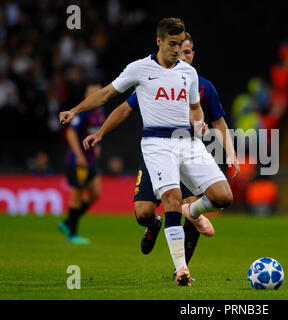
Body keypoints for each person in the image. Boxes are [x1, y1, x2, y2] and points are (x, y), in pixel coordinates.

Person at [59, 18, 237, 286]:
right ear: (159, 41)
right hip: (157, 143)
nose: (177, 50)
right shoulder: (140, 69)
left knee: (224, 197)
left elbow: (195, 107)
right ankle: (181, 270)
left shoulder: (189, 74)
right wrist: (75, 110)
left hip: (187, 141)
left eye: (180, 45)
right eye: (172, 44)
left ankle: (194, 212)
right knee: (171, 201)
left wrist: (199, 120)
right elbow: (107, 94)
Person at [58, 83, 104, 245]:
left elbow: (93, 131)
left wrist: (96, 146)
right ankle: (72, 233)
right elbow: (70, 133)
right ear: (86, 96)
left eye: (97, 92)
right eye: (91, 92)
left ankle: (68, 222)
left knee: (95, 194)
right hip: (77, 161)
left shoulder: (99, 111)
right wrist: (78, 155)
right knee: (77, 197)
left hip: (90, 160)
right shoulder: (83, 113)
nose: (95, 95)